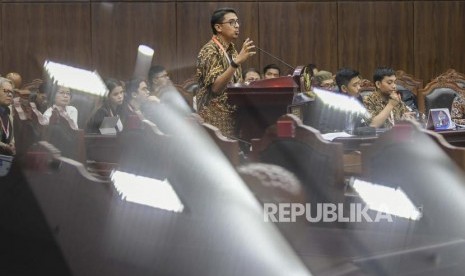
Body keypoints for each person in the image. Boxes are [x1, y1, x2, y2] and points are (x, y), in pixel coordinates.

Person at [196, 7, 255, 136]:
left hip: (233, 113)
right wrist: (236, 62)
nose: (237, 26)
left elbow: (235, 82)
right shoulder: (209, 51)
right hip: (214, 118)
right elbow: (216, 88)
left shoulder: (232, 50)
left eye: (237, 22)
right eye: (232, 22)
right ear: (218, 27)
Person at [0, 77, 15, 155]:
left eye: (11, 92)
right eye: (6, 91)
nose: (9, 94)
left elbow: (11, 136)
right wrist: (5, 146)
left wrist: (12, 143)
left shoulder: (9, 114)